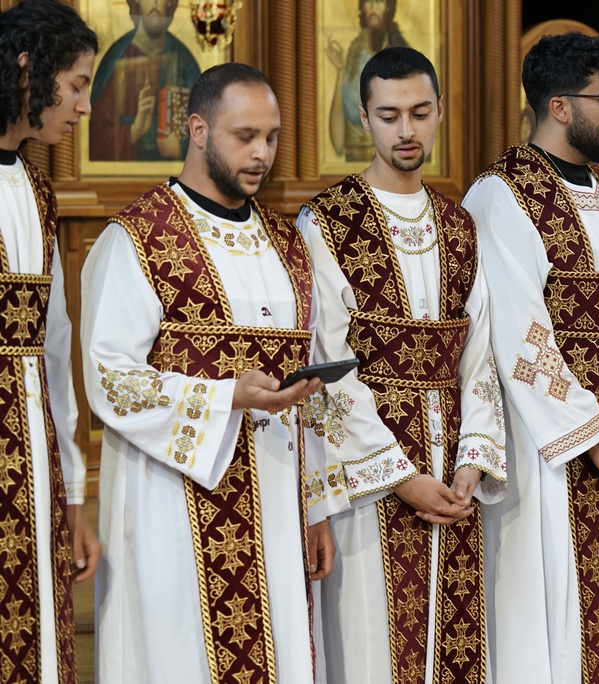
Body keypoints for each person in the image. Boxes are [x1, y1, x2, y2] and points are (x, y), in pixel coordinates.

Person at [82, 63, 345, 684]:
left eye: (273, 137)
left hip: (278, 499)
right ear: (198, 130)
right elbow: (108, 376)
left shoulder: (289, 244)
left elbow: (315, 391)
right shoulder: (138, 238)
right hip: (171, 501)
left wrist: (317, 506)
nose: (262, 153)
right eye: (244, 135)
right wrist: (225, 396)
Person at [464, 33, 599, 684]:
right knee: (545, 614)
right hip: (544, 447)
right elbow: (520, 335)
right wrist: (591, 439)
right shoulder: (502, 195)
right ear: (558, 105)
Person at [299, 46, 505, 683]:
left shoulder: (459, 222)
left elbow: (481, 353)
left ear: (440, 111)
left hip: (453, 474)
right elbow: (326, 364)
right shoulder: (326, 221)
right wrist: (400, 476)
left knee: (458, 642)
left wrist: (473, 457)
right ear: (364, 117)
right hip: (368, 479)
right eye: (390, 116)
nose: (407, 131)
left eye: (420, 113)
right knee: (372, 648)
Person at [0, 1, 100, 680]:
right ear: (30, 70)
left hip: (33, 464)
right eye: (79, 84)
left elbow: (55, 348)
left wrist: (73, 498)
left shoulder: (37, 188)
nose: (86, 106)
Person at [89, 0, 201, 161]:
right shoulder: (116, 60)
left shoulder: (185, 61)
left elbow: (208, 127)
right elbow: (95, 137)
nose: (155, 3)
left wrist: (182, 148)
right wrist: (134, 131)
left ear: (169, 3)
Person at [326, 0, 407, 161]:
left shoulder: (400, 52)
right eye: (368, 2)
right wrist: (341, 70)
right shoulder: (354, 53)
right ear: (362, 8)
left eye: (379, 3)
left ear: (389, 8)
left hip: (390, 162)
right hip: (354, 159)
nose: (373, 9)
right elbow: (338, 142)